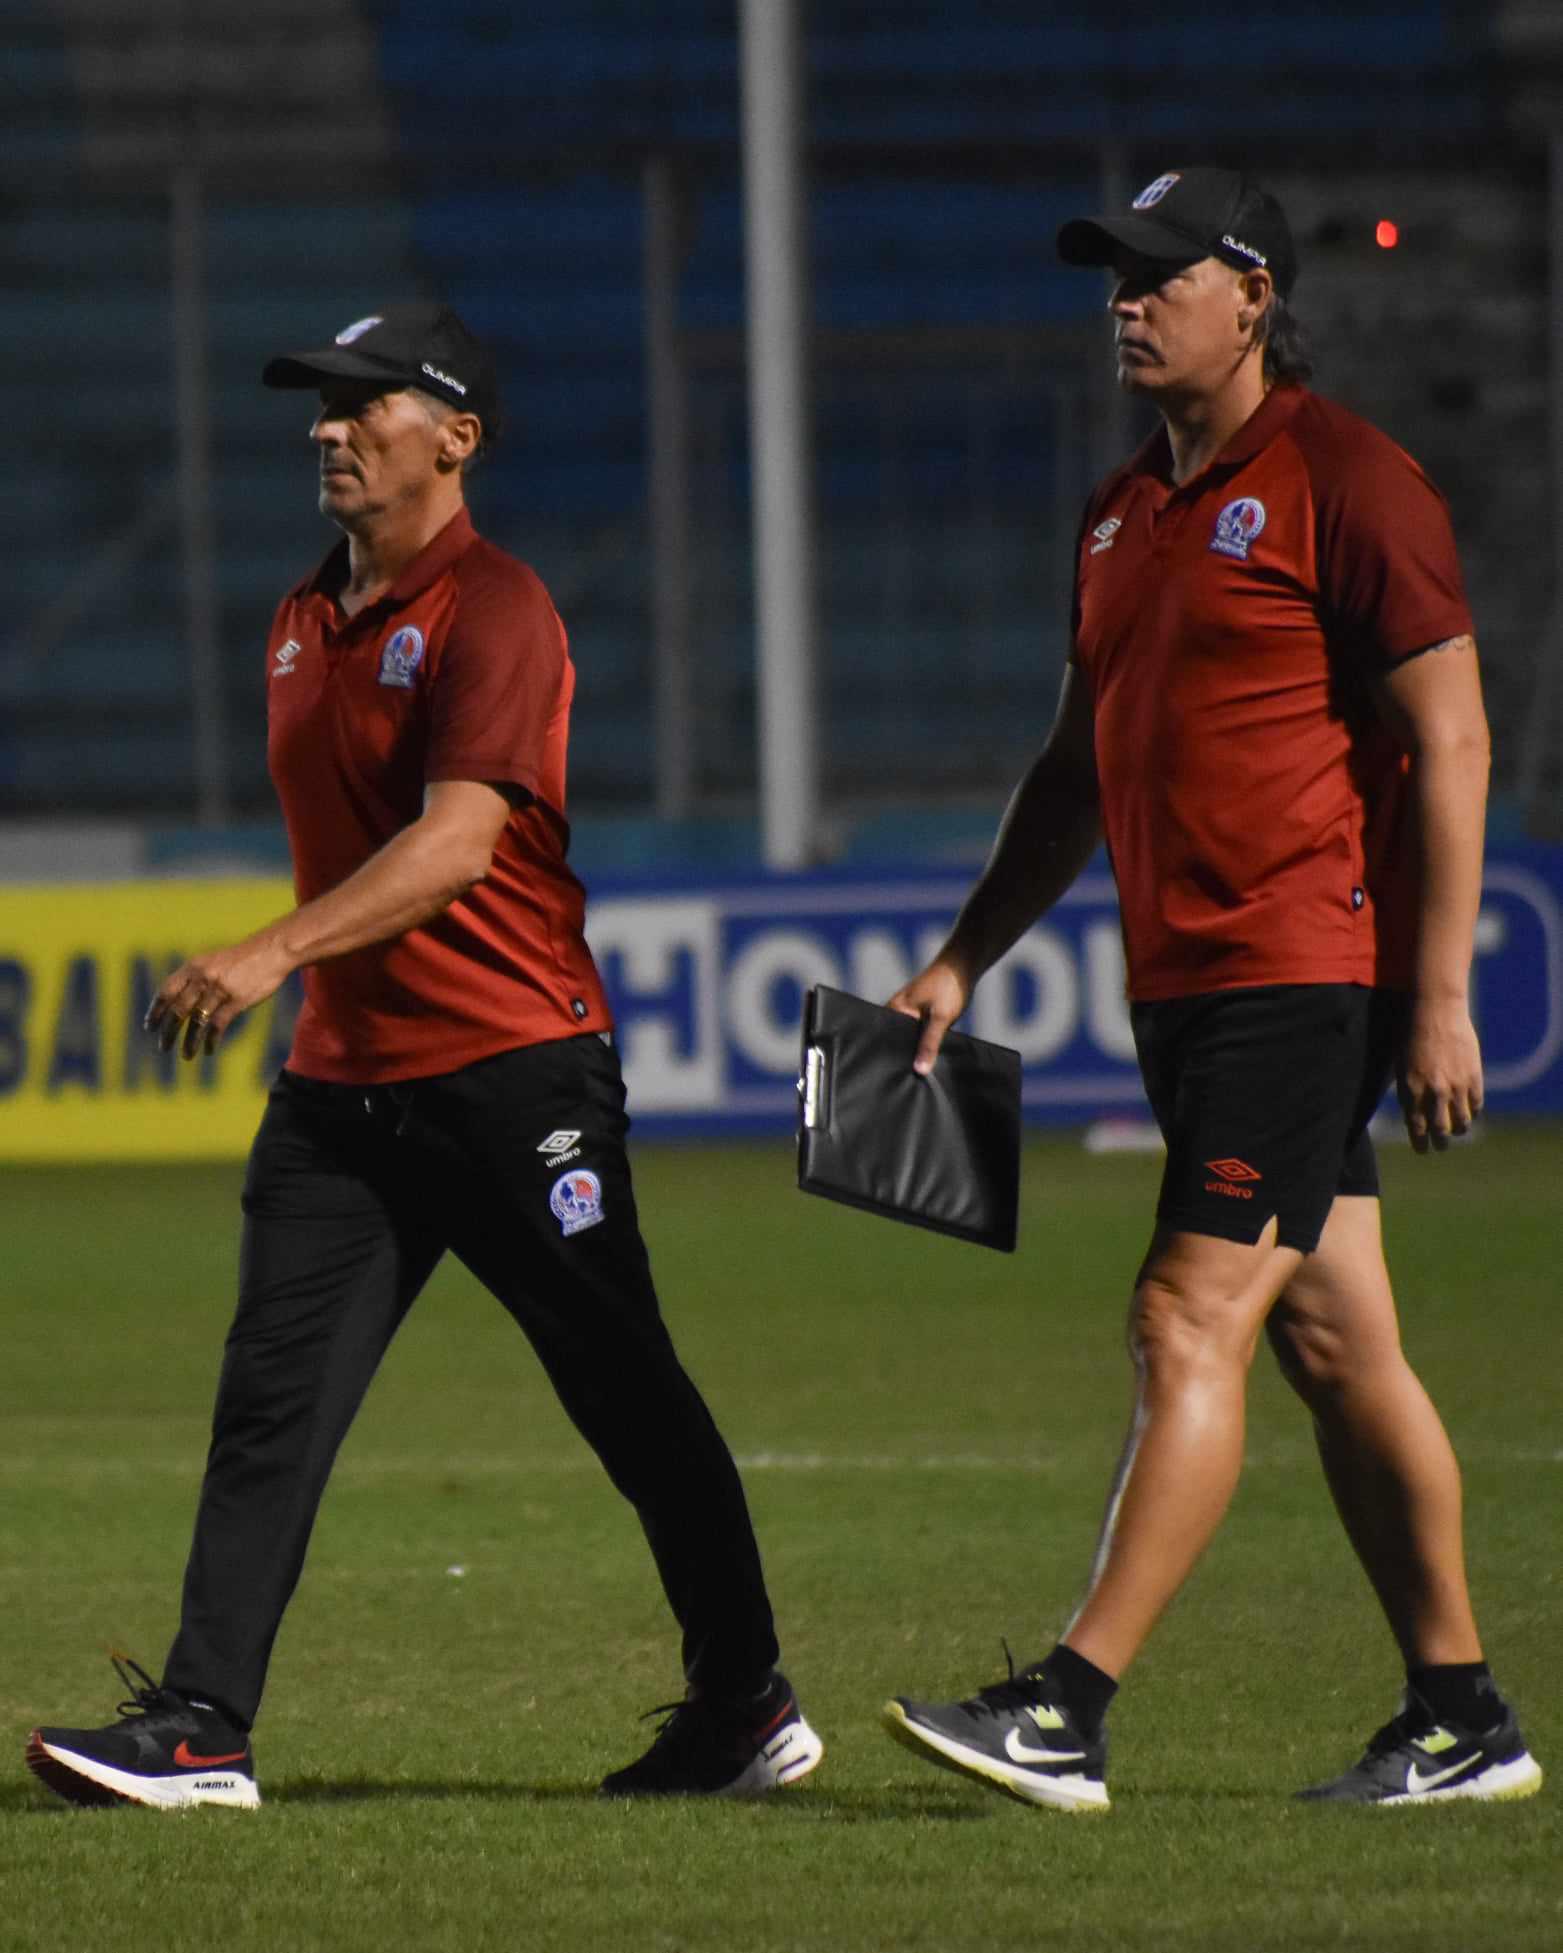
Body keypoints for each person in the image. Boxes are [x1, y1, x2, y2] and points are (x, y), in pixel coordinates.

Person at [26, 302, 821, 1809]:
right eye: (320, 405)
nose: (328, 427)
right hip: (345, 1096)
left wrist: (269, 949)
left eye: (364, 402)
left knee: (628, 1396)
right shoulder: (300, 613)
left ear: (456, 436)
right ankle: (202, 1724)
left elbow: (459, 845)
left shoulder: (498, 609)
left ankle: (746, 1703)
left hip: (517, 1075)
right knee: (271, 1398)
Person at [879, 170, 1542, 1811]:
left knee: (1187, 1316)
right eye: (1116, 272)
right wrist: (966, 952)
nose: (1128, 298)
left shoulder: (1350, 479)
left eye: (1162, 272)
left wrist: (1440, 989)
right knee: (1338, 1339)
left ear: (1254, 295)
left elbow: (1452, 738)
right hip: (1186, 994)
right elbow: (1071, 774)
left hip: (1300, 976)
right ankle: (1462, 1716)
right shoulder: (1121, 518)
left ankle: (1069, 1705)